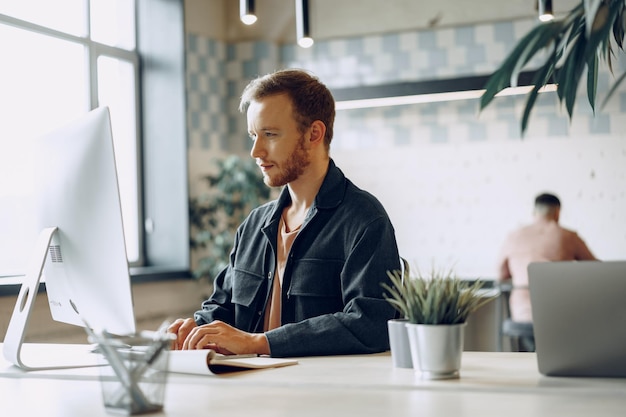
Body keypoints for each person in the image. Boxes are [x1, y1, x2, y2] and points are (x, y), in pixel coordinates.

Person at [168, 69, 401, 357]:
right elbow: (223, 307)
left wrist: (260, 343)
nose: (255, 151)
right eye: (254, 135)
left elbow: (371, 324)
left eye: (270, 134)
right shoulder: (254, 225)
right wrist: (194, 329)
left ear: (314, 133)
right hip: (248, 393)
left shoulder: (365, 220)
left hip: (322, 396)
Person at [496, 192, 597, 351]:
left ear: (534, 212)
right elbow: (596, 269)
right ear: (557, 212)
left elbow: (500, 275)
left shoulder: (513, 236)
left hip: (520, 316)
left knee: (534, 346)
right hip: (558, 315)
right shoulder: (568, 236)